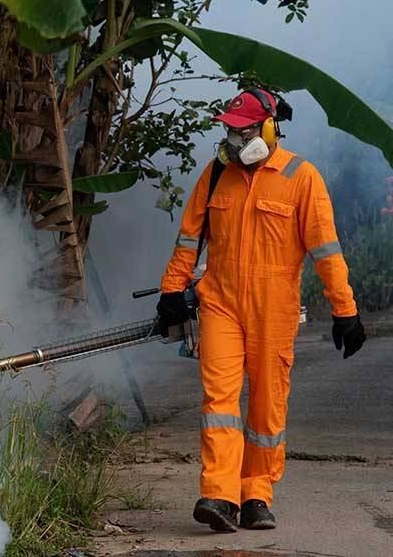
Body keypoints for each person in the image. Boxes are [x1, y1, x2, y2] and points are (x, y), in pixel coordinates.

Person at [156, 88, 366, 532]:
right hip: (221, 305)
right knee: (220, 402)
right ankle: (219, 495)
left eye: (244, 131)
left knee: (267, 408)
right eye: (230, 132)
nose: (234, 141)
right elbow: (189, 240)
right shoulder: (216, 175)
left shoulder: (301, 177)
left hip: (274, 311)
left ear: (269, 128)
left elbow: (326, 252)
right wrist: (172, 290)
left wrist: (345, 310)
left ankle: (256, 494)